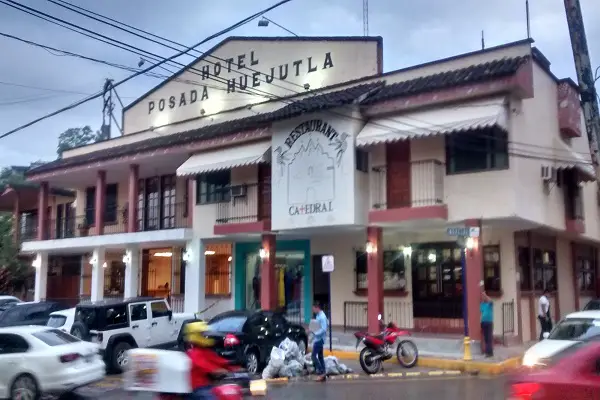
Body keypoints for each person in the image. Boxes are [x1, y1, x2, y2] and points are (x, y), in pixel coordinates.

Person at [184, 321, 230, 400]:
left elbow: (219, 361)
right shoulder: (194, 353)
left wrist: (235, 367)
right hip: (197, 388)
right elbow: (204, 366)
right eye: (204, 334)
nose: (207, 336)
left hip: (206, 385)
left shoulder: (205, 351)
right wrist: (219, 370)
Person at [311, 302, 328, 382]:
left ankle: (321, 373)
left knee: (313, 356)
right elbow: (317, 326)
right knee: (320, 356)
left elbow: (324, 329)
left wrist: (315, 333)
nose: (313, 310)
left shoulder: (322, 317)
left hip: (320, 339)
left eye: (313, 308)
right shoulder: (318, 316)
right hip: (317, 339)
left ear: (317, 308)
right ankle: (323, 373)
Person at [480, 291, 494, 357]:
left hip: (489, 322)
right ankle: (489, 352)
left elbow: (491, 301)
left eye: (484, 296)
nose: (483, 297)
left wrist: (485, 295)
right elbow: (481, 313)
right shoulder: (482, 304)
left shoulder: (489, 304)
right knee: (486, 338)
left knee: (489, 338)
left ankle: (489, 353)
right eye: (482, 297)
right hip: (483, 322)